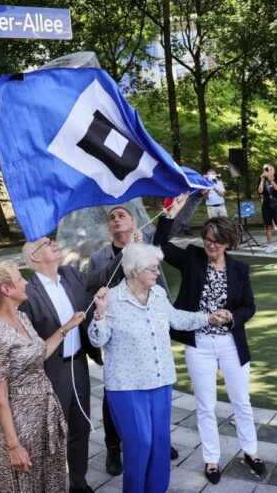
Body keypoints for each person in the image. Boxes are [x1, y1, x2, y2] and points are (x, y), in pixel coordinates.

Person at [87, 243, 233, 490]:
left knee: (160, 441)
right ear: (134, 271)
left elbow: (176, 318)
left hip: (160, 379)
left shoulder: (158, 295)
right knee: (140, 443)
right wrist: (99, 314)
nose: (158, 273)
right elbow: (97, 339)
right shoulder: (112, 298)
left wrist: (208, 317)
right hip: (127, 386)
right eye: (153, 269)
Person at [154, 208, 264, 485]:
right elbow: (160, 246)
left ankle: (251, 452)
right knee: (205, 405)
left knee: (242, 402)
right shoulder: (192, 257)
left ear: (228, 242)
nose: (210, 245)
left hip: (231, 342)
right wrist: (169, 215)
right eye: (207, 239)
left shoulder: (239, 269)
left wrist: (233, 316)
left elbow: (249, 306)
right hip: (199, 343)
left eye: (216, 241)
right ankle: (211, 459)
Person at [86, 205, 181, 476]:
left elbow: (158, 281)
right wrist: (127, 257)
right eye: (111, 218)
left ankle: (157, 443)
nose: (116, 220)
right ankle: (114, 448)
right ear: (109, 227)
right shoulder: (100, 257)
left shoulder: (148, 247)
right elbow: (96, 286)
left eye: (121, 216)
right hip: (119, 333)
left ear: (133, 222)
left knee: (153, 393)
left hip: (147, 328)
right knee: (115, 396)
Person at [18, 237, 118, 493]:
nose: (54, 244)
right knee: (50, 435)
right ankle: (48, 485)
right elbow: (26, 347)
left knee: (80, 427)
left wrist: (126, 249)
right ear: (35, 258)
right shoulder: (27, 294)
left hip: (78, 366)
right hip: (50, 371)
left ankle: (78, 482)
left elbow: (103, 275)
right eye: (46, 244)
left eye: (51, 241)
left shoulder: (70, 274)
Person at [0, 262, 86, 493]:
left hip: (46, 414)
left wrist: (67, 327)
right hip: (22, 423)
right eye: (19, 279)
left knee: (52, 479)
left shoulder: (22, 319)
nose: (26, 282)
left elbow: (39, 353)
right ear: (6, 290)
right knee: (29, 484)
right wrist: (14, 445)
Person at [259, 164, 277, 253]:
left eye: (270, 169)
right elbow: (260, 191)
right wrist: (262, 179)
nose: (268, 171)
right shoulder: (263, 180)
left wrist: (271, 180)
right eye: (266, 169)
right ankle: (270, 245)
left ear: (273, 171)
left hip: (275, 204)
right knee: (268, 225)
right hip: (266, 205)